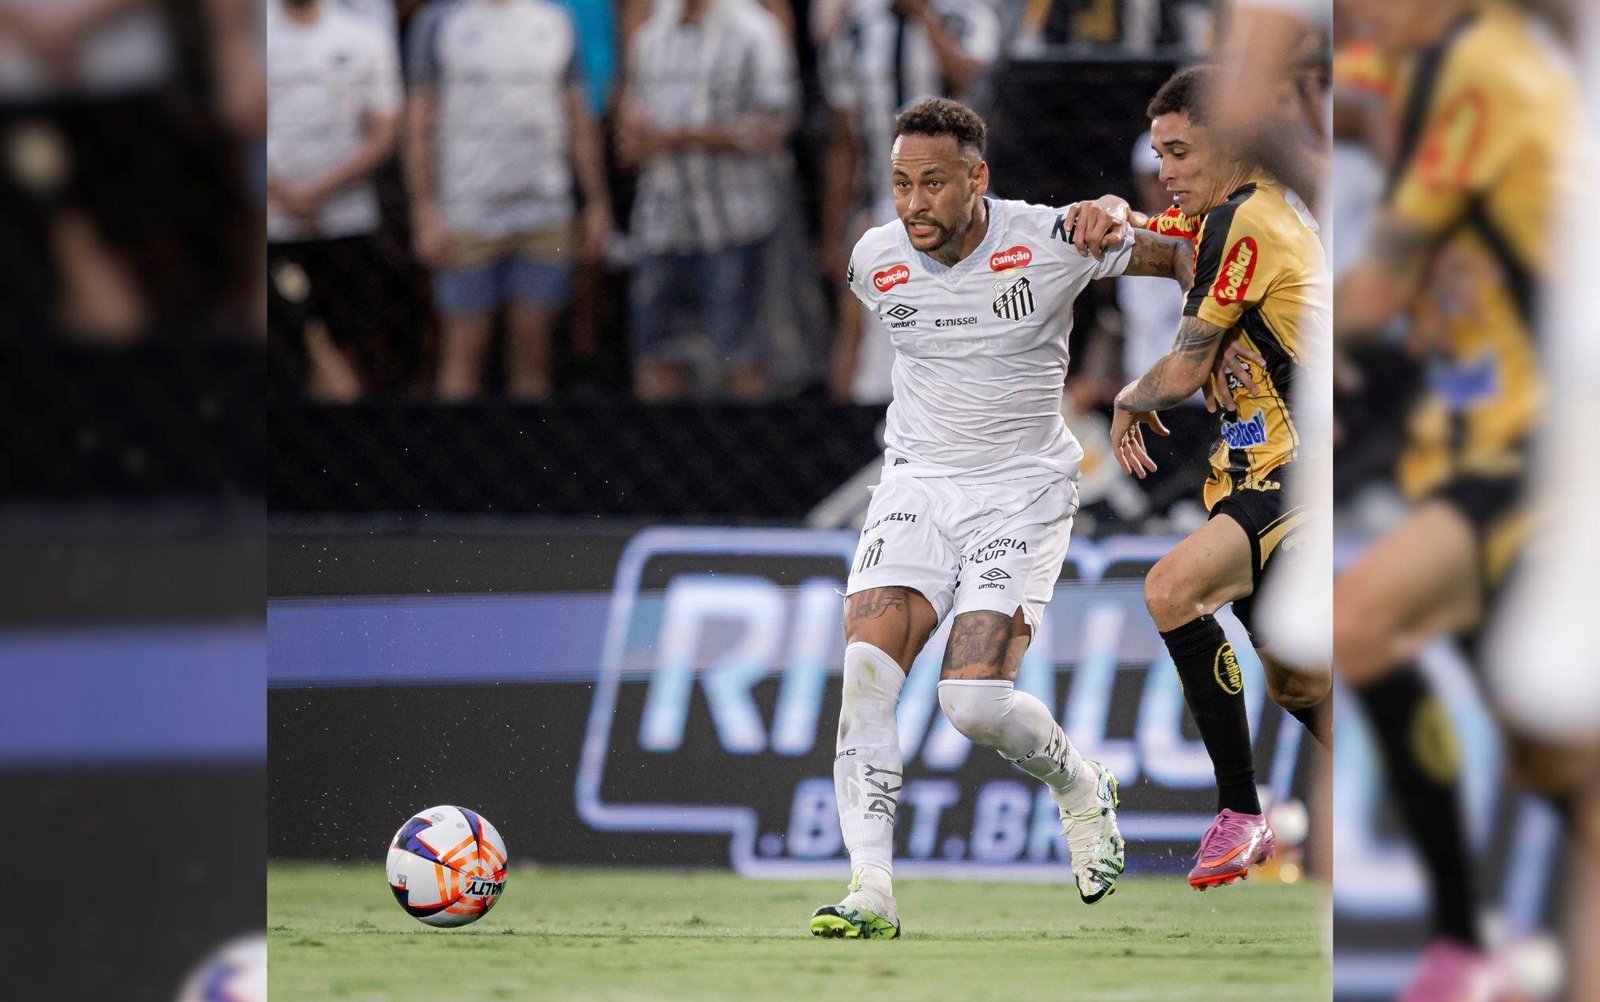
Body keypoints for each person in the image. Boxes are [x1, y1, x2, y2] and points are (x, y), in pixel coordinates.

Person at [810, 97, 1194, 939]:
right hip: (915, 484)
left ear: (978, 180)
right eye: (903, 183)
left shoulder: (1053, 240)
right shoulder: (874, 259)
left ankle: (1080, 785)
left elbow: (1185, 258)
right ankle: (869, 888)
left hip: (1021, 489)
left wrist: (1126, 219)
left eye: (935, 184)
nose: (915, 203)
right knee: (867, 678)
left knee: (972, 704)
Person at [1329, 0, 1590, 996]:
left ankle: (1463, 938)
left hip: (1542, 441)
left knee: (1360, 621)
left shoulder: (1477, 64)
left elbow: (1377, 293)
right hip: (1482, 442)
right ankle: (1477, 938)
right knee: (1543, 760)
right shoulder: (1443, 66)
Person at [1064, 66, 1332, 891]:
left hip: (1304, 466)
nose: (1166, 170)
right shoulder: (1229, 210)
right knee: (1295, 679)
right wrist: (1106, 217)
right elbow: (1160, 239)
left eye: (1180, 152)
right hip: (1255, 465)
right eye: (1158, 154)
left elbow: (1181, 374)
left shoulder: (1250, 221)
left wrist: (1126, 401)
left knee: (1171, 589)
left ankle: (1240, 812)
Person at [405, 0, 613, 401]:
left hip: (546, 216)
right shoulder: (439, 22)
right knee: (463, 357)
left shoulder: (556, 21)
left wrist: (597, 202)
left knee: (534, 358)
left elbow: (579, 120)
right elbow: (419, 123)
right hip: (465, 216)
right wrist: (424, 211)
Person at [813, 0, 1002, 403]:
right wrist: (833, 233)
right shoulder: (856, 26)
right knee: (866, 332)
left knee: (960, 330)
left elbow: (973, 79)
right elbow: (846, 139)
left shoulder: (966, 12)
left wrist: (924, 17)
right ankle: (853, 433)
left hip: (961, 205)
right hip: (884, 203)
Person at [616, 0, 797, 401]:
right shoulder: (651, 33)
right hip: (661, 224)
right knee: (659, 355)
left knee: (740, 359)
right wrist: (633, 134)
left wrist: (682, 138)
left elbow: (775, 126)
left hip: (734, 226)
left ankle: (740, 461)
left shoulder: (755, 30)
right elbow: (629, 126)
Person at [266, 0, 402, 399]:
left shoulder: (363, 37)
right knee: (300, 348)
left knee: (351, 346)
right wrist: (280, 192)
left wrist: (316, 191)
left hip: (347, 223)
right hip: (273, 226)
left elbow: (384, 133)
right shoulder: (250, 34)